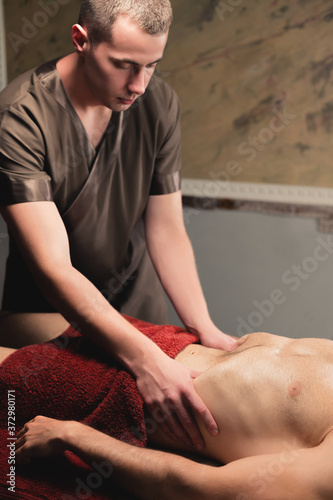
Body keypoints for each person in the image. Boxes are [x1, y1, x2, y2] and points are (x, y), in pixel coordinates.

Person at [0, 0, 238, 449]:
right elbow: (54, 267)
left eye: (152, 65)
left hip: (139, 301)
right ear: (81, 39)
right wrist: (144, 359)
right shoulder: (19, 117)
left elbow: (166, 229)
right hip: (46, 313)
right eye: (124, 65)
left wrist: (204, 326)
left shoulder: (159, 103)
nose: (139, 85)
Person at [12, 329, 333, 500]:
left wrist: (73, 434)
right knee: (17, 316)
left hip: (128, 390)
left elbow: (197, 486)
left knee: (12, 367)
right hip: (159, 342)